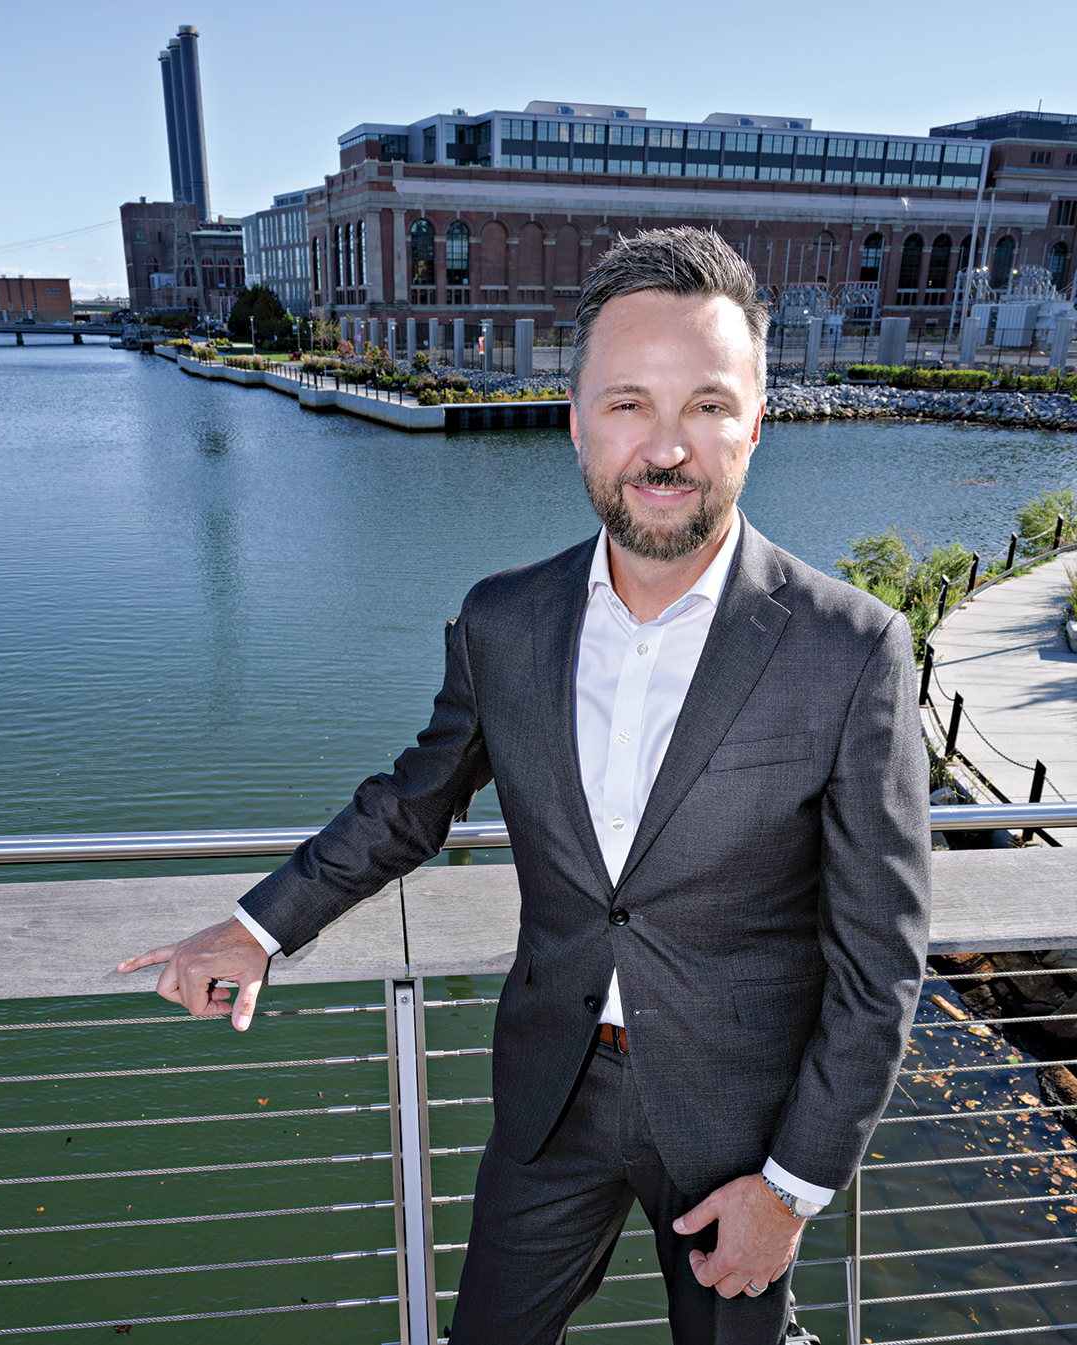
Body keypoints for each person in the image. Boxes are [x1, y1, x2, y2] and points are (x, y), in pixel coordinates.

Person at [118, 226, 930, 1344]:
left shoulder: (852, 647)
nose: (666, 447)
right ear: (576, 419)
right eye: (629, 403)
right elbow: (412, 805)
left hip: (746, 1124)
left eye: (706, 404)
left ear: (756, 422)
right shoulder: (502, 621)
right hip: (554, 1099)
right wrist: (259, 929)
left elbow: (879, 960)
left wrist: (793, 1188)